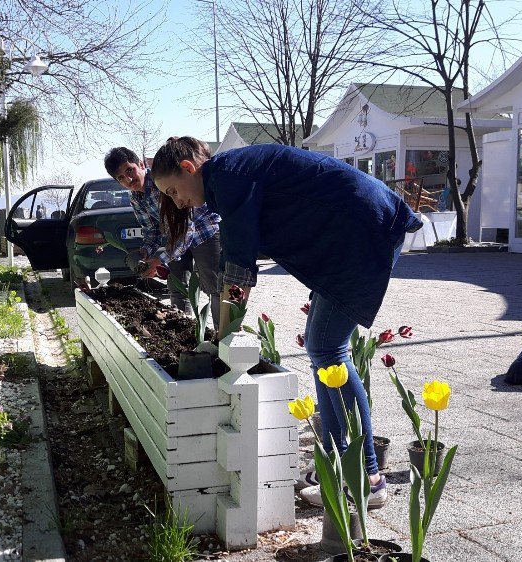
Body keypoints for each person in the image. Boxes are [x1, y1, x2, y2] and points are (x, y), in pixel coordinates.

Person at [150, 137, 423, 509]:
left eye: (172, 191)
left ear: (187, 169)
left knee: (328, 348)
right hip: (356, 230)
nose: (176, 202)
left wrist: (224, 335)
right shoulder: (225, 177)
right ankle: (336, 461)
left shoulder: (228, 175)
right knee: (323, 349)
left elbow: (240, 260)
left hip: (364, 231)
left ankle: (366, 477)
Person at [103, 146, 224, 327]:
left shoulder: (163, 181)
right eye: (121, 178)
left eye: (130, 170)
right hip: (175, 240)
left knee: (215, 289)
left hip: (204, 233)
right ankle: (186, 332)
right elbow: (152, 230)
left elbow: (186, 226)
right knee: (177, 288)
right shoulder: (136, 199)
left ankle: (222, 338)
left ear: (141, 164)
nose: (129, 179)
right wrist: (144, 252)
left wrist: (160, 260)